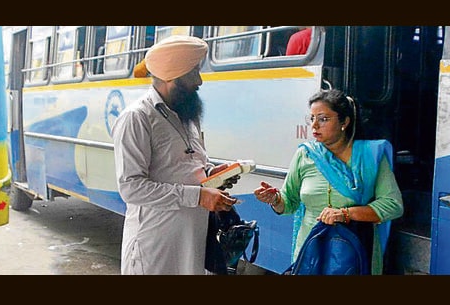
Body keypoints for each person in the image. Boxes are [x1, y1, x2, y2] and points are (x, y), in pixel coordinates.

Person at [111, 35, 239, 275]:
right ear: (172, 77)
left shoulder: (186, 113)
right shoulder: (137, 118)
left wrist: (212, 174)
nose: (199, 81)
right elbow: (131, 188)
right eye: (193, 73)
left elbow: (187, 163)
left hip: (191, 241)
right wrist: (198, 196)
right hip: (155, 245)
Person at [253, 89, 403, 275]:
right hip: (311, 250)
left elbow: (393, 205)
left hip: (354, 250)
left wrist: (345, 214)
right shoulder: (305, 155)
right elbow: (289, 202)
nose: (314, 125)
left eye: (323, 119)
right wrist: (274, 199)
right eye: (312, 119)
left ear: (344, 122)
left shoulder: (369, 156)